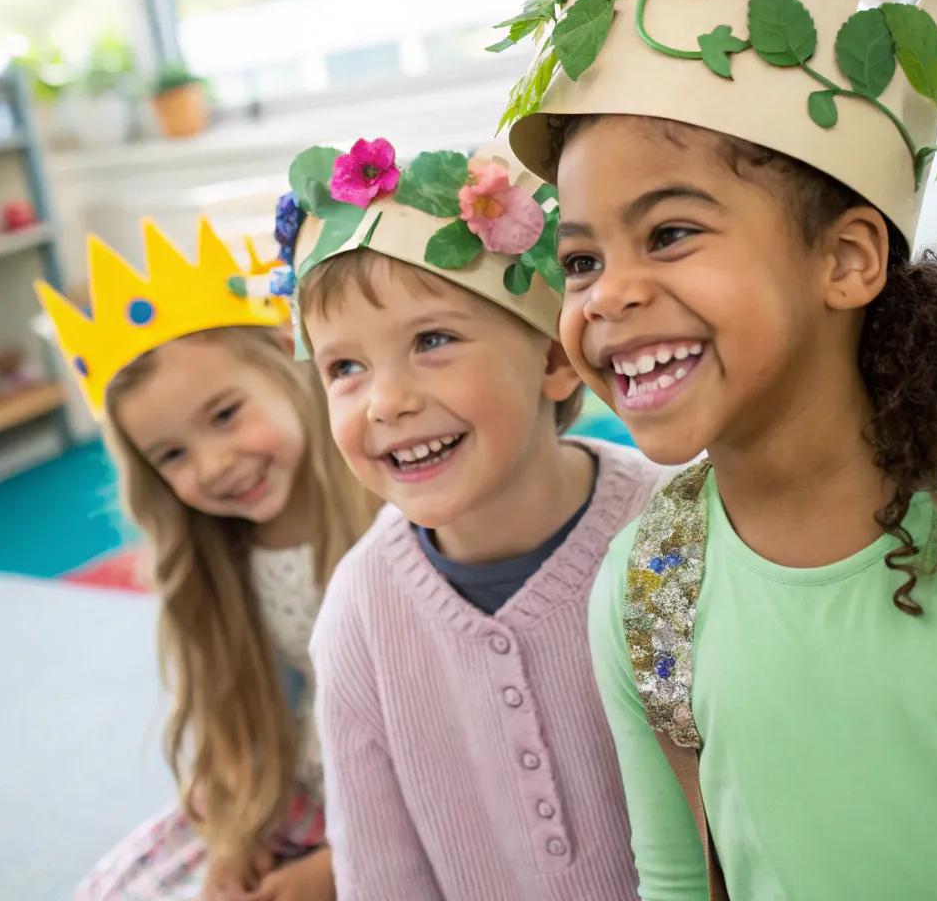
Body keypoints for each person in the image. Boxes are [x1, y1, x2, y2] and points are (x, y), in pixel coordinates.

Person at [496, 0, 937, 899]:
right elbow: (682, 878)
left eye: (669, 233)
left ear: (845, 258)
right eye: (580, 257)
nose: (608, 292)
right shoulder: (649, 592)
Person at [280, 136, 659, 899]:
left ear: (555, 360)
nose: (386, 401)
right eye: (344, 368)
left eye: (432, 340)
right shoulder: (359, 613)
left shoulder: (670, 527)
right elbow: (380, 875)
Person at [37, 217, 378, 901]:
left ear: (288, 358)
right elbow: (244, 717)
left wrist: (340, 867)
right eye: (172, 455)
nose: (215, 465)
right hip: (293, 790)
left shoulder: (390, 516)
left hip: (402, 804)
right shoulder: (222, 560)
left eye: (225, 415)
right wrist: (236, 836)